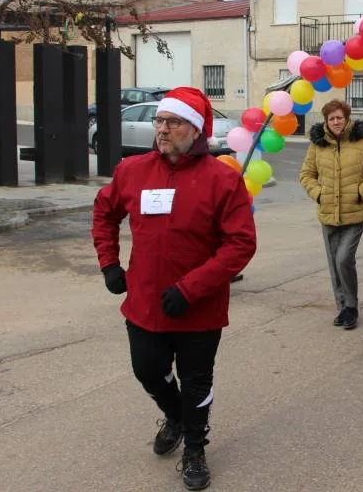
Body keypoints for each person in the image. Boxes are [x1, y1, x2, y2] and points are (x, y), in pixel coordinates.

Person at [92, 87, 256, 491]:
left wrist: (192, 288)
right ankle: (176, 416)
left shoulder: (222, 179)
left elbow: (240, 244)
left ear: (195, 129)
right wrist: (110, 263)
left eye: (173, 122)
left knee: (197, 379)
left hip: (199, 308)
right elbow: (103, 212)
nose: (162, 129)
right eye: (159, 121)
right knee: (147, 369)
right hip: (145, 302)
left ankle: (195, 449)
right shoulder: (132, 170)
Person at [300, 99, 363, 331]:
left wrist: (362, 191)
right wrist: (318, 194)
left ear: (347, 118)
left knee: (343, 259)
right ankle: (344, 308)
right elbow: (306, 174)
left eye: (340, 117)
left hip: (356, 211)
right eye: (332, 118)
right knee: (333, 263)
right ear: (326, 121)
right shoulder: (318, 144)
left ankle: (352, 305)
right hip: (328, 211)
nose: (336, 122)